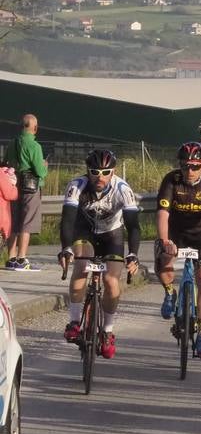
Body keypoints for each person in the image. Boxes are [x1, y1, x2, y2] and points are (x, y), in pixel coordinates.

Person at [58, 149, 141, 359]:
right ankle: (75, 321)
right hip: (84, 230)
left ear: (113, 172)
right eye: (95, 172)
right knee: (80, 267)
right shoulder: (77, 186)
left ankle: (107, 331)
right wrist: (66, 248)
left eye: (106, 172)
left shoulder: (123, 189)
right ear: (88, 171)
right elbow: (67, 221)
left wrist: (133, 254)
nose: (100, 177)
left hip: (111, 233)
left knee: (111, 281)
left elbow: (133, 227)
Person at [154, 141, 201, 358]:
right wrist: (165, 240)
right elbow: (163, 214)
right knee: (164, 258)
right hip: (176, 234)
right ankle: (169, 292)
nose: (189, 171)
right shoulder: (172, 179)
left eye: (195, 166)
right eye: (185, 166)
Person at [5, 113, 46, 270]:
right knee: (27, 222)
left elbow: (6, 162)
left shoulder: (12, 143)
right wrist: (45, 165)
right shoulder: (35, 146)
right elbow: (40, 171)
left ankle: (11, 259)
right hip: (30, 187)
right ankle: (22, 259)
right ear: (35, 128)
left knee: (14, 221)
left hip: (13, 185)